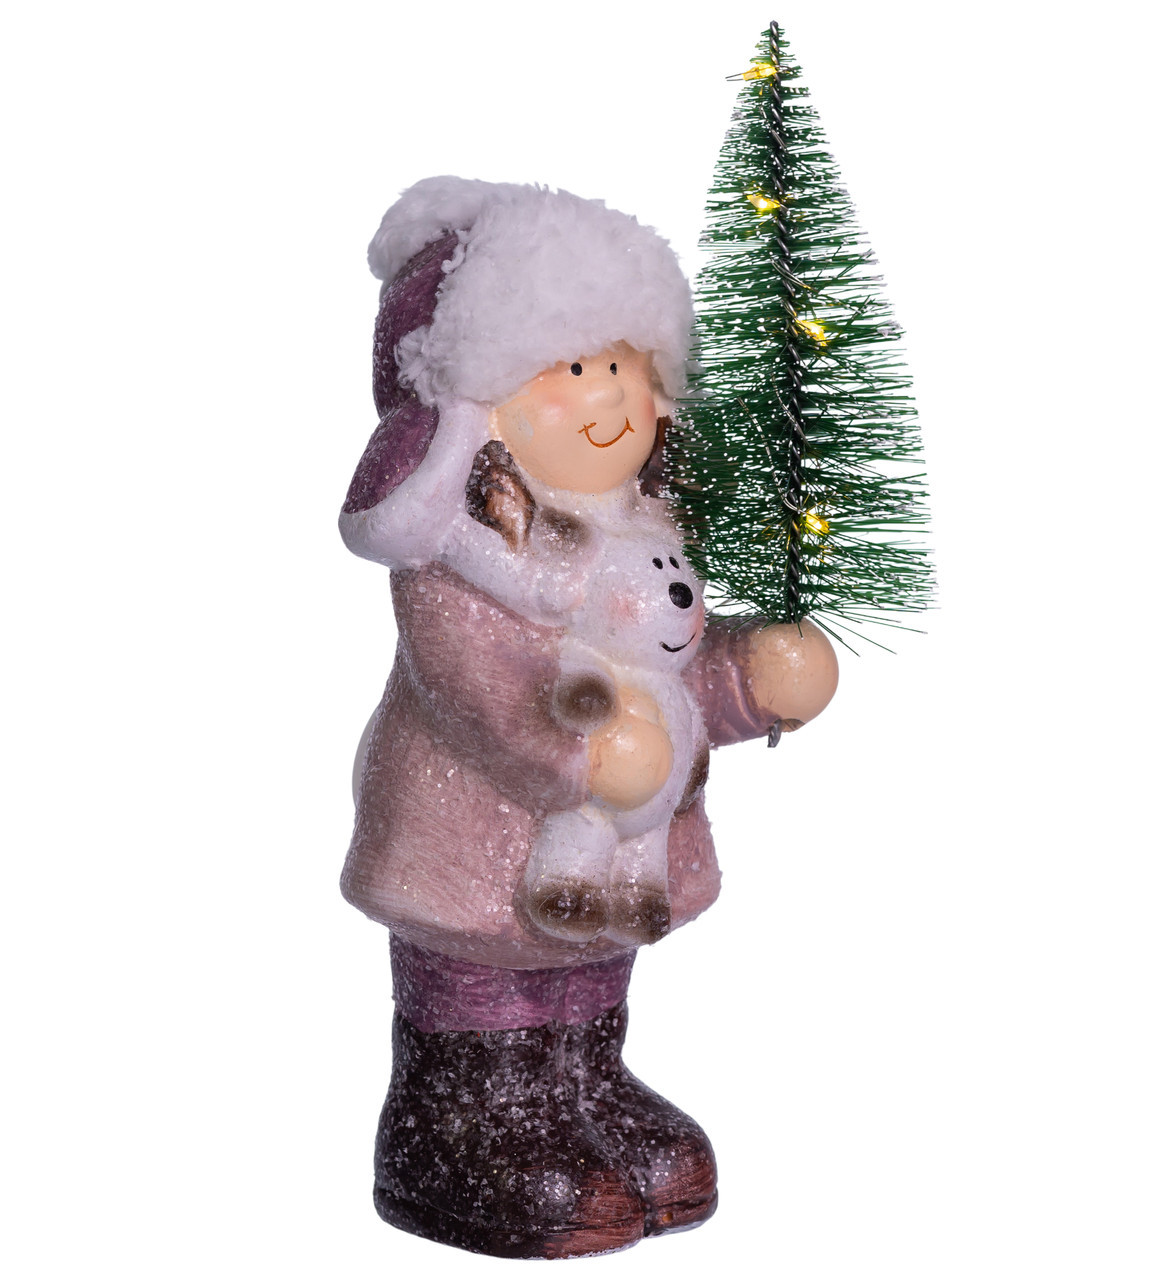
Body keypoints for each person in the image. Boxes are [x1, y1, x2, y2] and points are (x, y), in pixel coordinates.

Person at [339, 178, 838, 1258]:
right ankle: (461, 1115)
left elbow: (673, 674)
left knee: (588, 975)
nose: (608, 396)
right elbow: (484, 696)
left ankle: (585, 1086)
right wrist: (583, 752)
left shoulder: (648, 536)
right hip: (479, 841)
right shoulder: (465, 560)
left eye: (622, 366)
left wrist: (754, 678)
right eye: (571, 372)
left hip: (615, 856)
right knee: (495, 981)